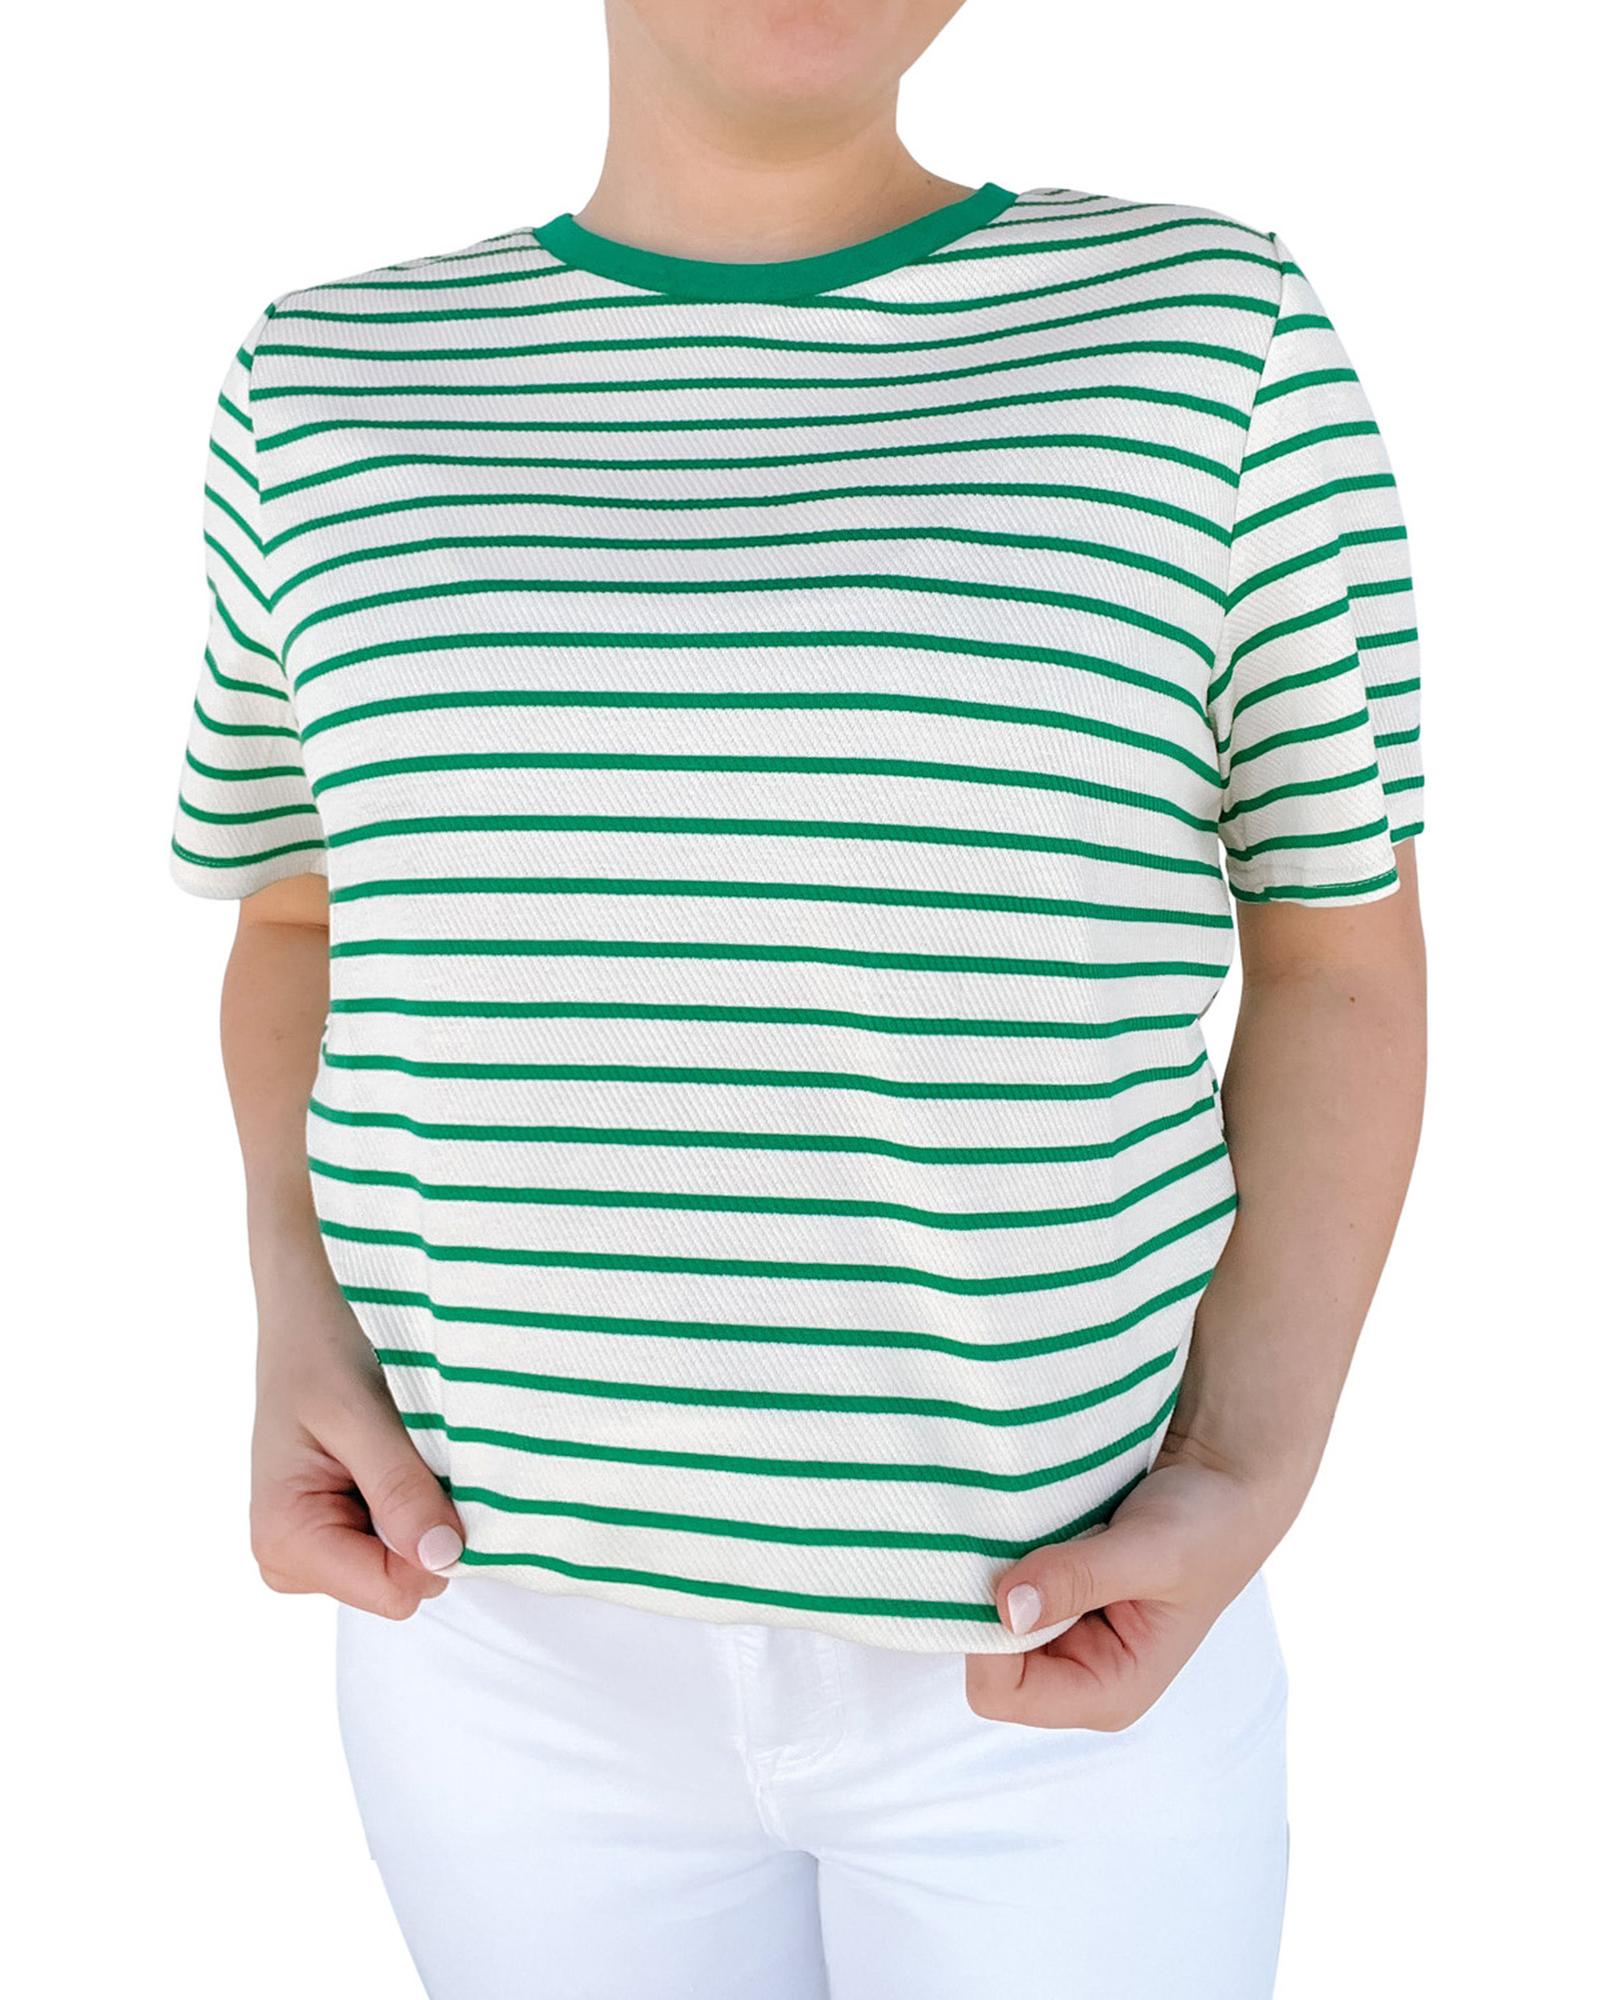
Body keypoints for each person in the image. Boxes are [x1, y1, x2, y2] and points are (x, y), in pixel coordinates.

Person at [169, 1, 1427, 1992]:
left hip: (1060, 1641)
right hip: (491, 1642)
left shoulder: (1206, 337)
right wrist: (287, 1315)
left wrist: (1245, 1466)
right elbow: (300, 920)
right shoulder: (324, 382)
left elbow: (1334, 947)